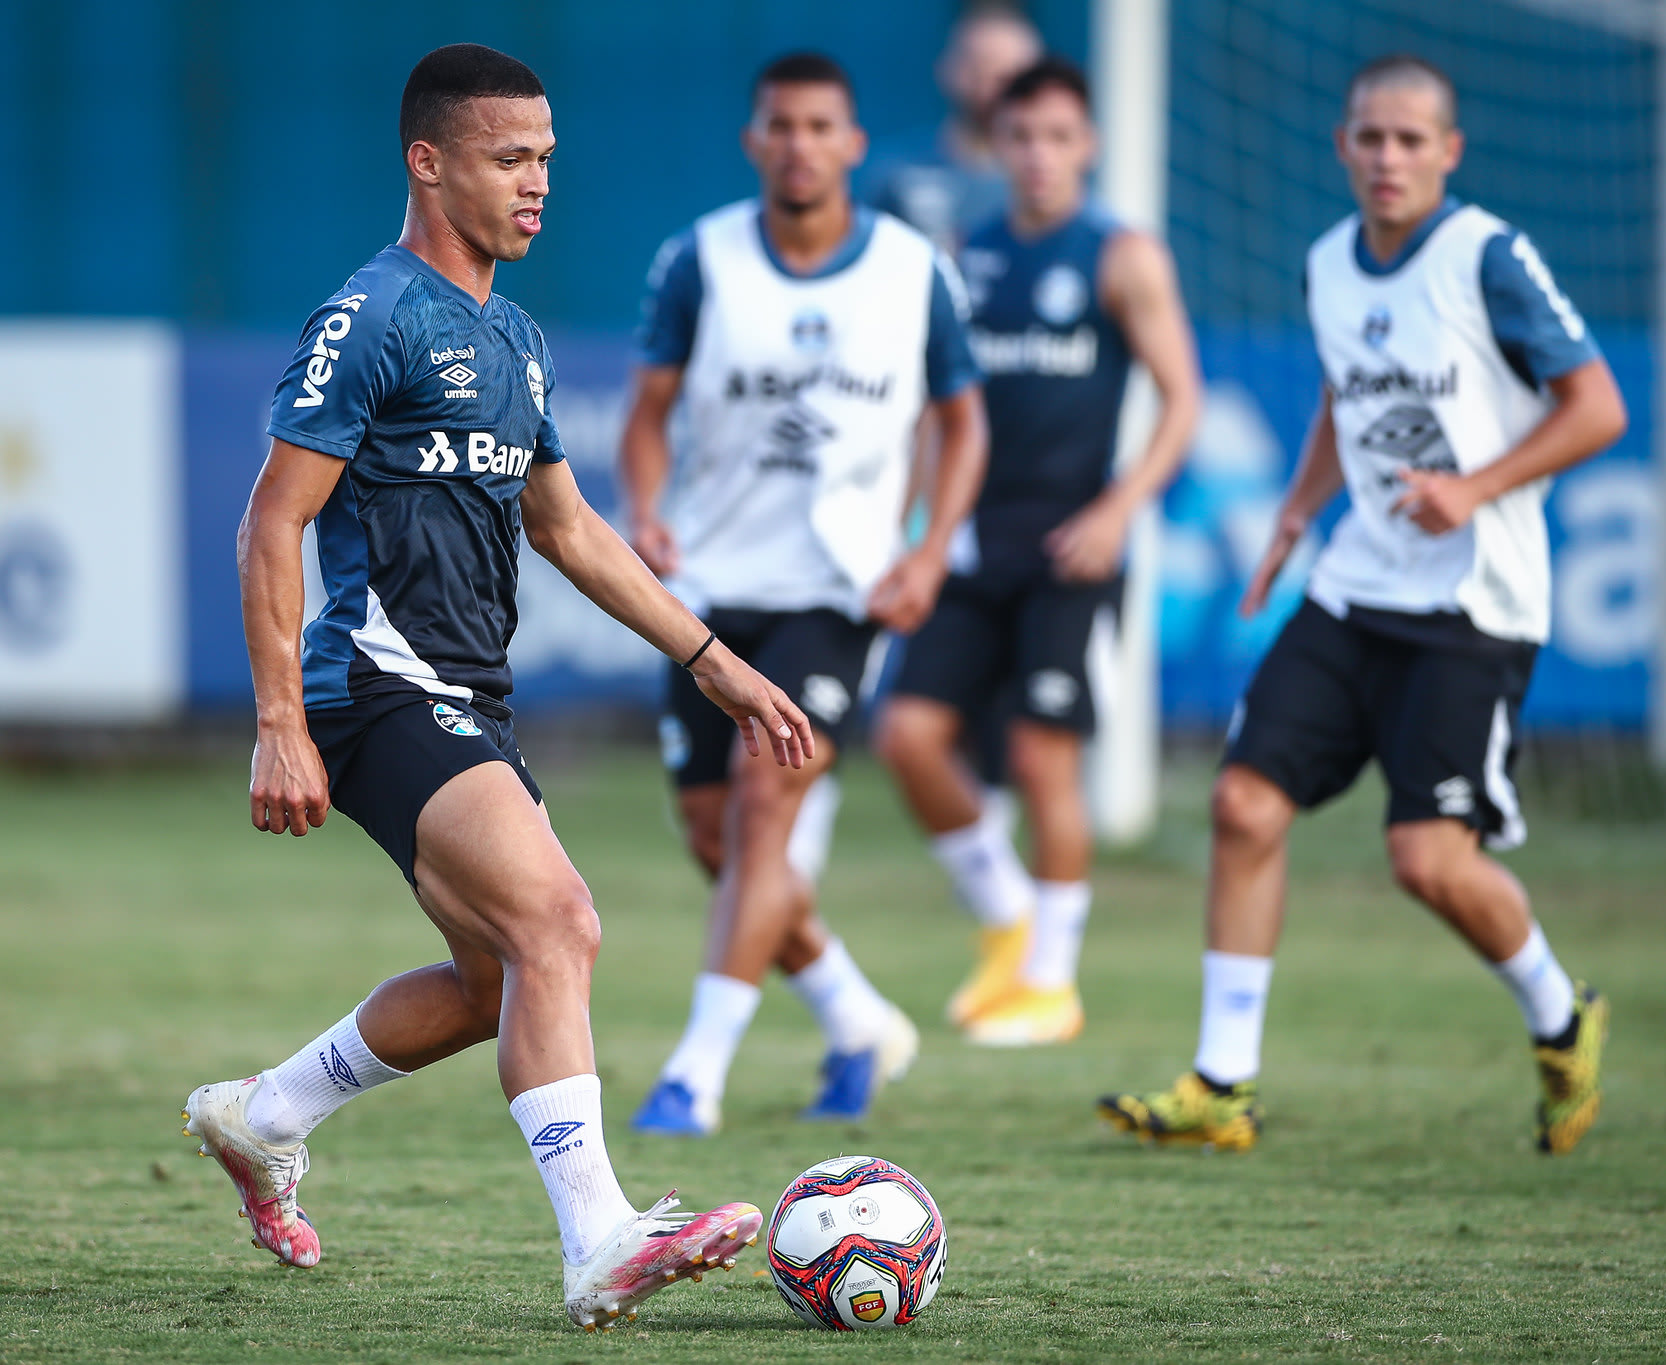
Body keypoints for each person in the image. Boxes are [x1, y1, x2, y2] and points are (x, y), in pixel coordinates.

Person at [182, 44, 818, 1332]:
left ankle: (266, 1113)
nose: (537, 186)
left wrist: (717, 664)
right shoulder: (370, 317)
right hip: (375, 685)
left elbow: (570, 532)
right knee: (560, 924)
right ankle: (598, 1241)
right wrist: (277, 724)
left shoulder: (515, 339)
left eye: (545, 161)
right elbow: (270, 524)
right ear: (427, 163)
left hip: (467, 696)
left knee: (495, 984)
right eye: (508, 160)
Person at [1097, 55, 1623, 1154]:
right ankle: (1220, 1086)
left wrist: (1472, 490)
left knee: (1425, 860)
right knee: (1242, 804)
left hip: (1471, 604)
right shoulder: (1327, 261)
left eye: (1408, 140)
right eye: (1368, 139)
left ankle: (1558, 1015)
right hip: (1352, 587)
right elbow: (1346, 394)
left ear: (1448, 152)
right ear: (1341, 147)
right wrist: (1295, 511)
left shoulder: (1484, 256)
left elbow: (1597, 409)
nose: (1386, 158)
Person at [618, 52, 987, 1136]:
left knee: (764, 804)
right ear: (753, 141)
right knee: (716, 841)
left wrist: (928, 548)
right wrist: (645, 509)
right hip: (707, 588)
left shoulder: (912, 269)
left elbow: (962, 421)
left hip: (837, 592)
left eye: (819, 126)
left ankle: (693, 1074)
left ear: (853, 144)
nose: (798, 145)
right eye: (779, 125)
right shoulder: (700, 260)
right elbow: (645, 412)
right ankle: (855, 1016)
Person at [874, 56, 1201, 1047]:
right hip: (972, 547)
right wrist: (915, 531)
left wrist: (1117, 509)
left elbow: (1180, 399)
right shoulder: (962, 253)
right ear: (994, 145)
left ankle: (1049, 984)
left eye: (1058, 138)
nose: (1037, 156)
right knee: (906, 737)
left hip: (1071, 549)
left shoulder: (1119, 255)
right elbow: (940, 411)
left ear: (1087, 146)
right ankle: (1008, 917)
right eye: (1020, 138)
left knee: (1039, 758)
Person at [864, 1, 1044, 255]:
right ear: (947, 68)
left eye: (1009, 75)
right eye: (978, 66)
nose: (991, 85)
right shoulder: (898, 176)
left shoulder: (1048, 185)